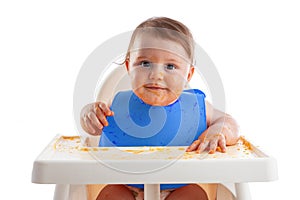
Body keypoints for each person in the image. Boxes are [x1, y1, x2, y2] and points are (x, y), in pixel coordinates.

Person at [80, 17, 239, 200]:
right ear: (129, 66)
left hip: (180, 186)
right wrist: (88, 114)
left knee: (195, 194)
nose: (156, 74)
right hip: (126, 185)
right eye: (145, 63)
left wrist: (218, 131)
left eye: (170, 66)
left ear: (188, 74)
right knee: (111, 194)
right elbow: (92, 127)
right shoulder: (116, 104)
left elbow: (230, 122)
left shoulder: (196, 106)